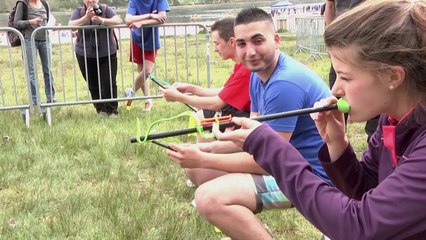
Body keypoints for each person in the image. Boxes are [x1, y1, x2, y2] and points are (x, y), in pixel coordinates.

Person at [212, 1, 426, 239]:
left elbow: (359, 227)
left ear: (392, 76)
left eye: (344, 77)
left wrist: (270, 146)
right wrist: (337, 146)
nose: (335, 90)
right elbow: (365, 188)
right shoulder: (392, 120)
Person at [166, 8, 332, 239]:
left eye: (258, 40)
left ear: (276, 40)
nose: (250, 51)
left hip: (312, 178)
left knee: (209, 197)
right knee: (197, 169)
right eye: (242, 44)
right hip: (290, 165)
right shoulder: (257, 74)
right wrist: (207, 148)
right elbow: (253, 137)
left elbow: (269, 160)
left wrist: (205, 156)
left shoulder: (284, 84)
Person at [159, 17, 251, 120]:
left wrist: (179, 97)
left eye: (217, 43)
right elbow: (225, 92)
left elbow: (216, 104)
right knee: (202, 111)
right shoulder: (241, 65)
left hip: (253, 117)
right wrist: (190, 88)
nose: (215, 49)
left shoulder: (245, 70)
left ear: (232, 42)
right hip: (247, 112)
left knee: (202, 116)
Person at [325, 0, 379, 141]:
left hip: (367, 43)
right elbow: (329, 5)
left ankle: (375, 139)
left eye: (345, 78)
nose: (334, 90)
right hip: (347, 42)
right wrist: (337, 143)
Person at [69, 0, 122, 117]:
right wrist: (86, 18)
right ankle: (100, 109)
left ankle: (112, 110)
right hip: (85, 53)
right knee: (93, 84)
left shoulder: (105, 9)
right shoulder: (79, 12)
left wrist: (102, 20)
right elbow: (71, 26)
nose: (91, 0)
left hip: (107, 52)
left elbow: (118, 20)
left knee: (109, 82)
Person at [124, 0, 170, 112]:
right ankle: (148, 101)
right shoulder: (134, 1)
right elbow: (128, 19)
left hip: (152, 40)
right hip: (137, 38)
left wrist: (141, 22)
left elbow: (162, 18)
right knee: (141, 70)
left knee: (147, 71)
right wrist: (151, 16)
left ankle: (132, 92)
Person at [13, 0, 56, 104]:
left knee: (48, 70)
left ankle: (51, 98)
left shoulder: (45, 4)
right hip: (29, 40)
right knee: (31, 71)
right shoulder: (22, 4)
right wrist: (31, 22)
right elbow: (16, 23)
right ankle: (35, 100)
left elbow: (48, 20)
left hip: (45, 40)